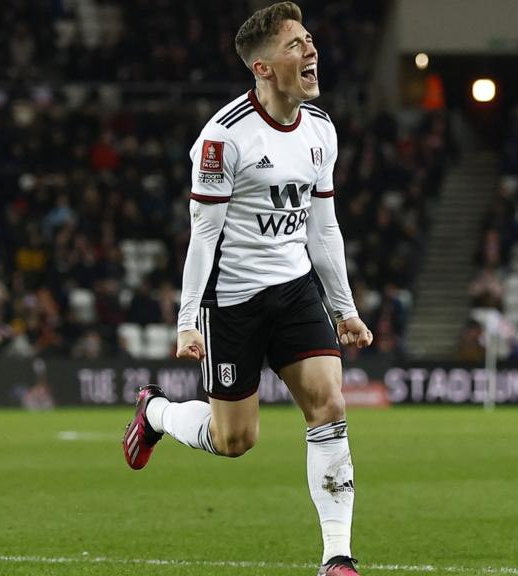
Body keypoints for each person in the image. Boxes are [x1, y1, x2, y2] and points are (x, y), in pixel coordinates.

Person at [121, 3, 372, 575]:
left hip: (294, 290)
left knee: (329, 404)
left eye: (309, 40)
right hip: (233, 299)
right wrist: (187, 320)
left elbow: (323, 226)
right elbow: (203, 237)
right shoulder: (222, 139)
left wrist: (345, 310)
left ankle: (337, 555)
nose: (310, 50)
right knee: (234, 440)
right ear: (262, 68)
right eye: (295, 45)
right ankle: (155, 412)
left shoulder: (322, 130)